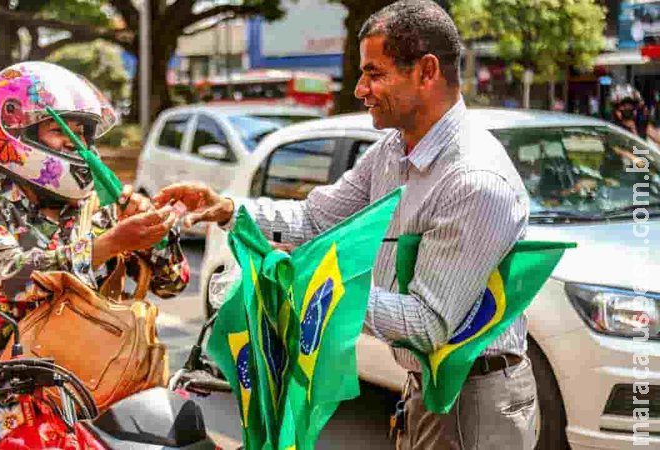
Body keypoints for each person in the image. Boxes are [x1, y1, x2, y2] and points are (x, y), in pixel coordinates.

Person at [155, 1, 536, 448]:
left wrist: (315, 282)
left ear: (426, 72)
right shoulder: (393, 152)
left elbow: (428, 323)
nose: (359, 89)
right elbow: (316, 218)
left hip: (476, 399)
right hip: (423, 387)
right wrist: (227, 210)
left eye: (375, 74)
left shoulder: (475, 181)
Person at [0, 62, 189, 446]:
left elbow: (172, 283)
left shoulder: (98, 209)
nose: (76, 143)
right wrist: (110, 244)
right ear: (17, 132)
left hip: (92, 394)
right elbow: (11, 275)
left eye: (83, 132)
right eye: (60, 130)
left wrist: (156, 235)